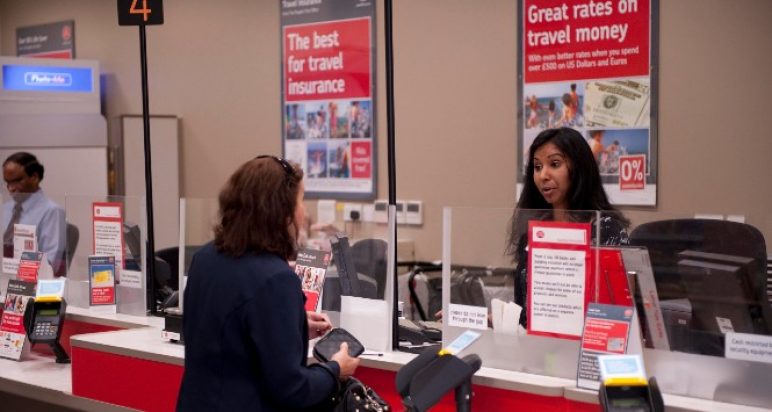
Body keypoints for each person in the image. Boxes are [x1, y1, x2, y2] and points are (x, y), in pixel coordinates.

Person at [177, 156, 359, 411]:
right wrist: (335, 369)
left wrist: (291, 326)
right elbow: (292, 390)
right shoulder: (276, 279)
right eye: (301, 200)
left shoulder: (205, 259)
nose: (304, 211)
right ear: (281, 210)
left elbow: (227, 333)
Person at [507, 127, 629, 327]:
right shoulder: (532, 233)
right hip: (537, 350)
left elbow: (618, 312)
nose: (543, 175)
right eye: (537, 167)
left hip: (587, 347)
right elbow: (526, 315)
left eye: (554, 164)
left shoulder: (606, 231)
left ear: (578, 168)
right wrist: (494, 320)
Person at [2, 152, 66, 274]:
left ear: (34, 177)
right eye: (7, 182)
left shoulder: (52, 212)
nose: (11, 188)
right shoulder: (5, 209)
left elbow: (50, 263)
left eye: (16, 181)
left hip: (31, 281)